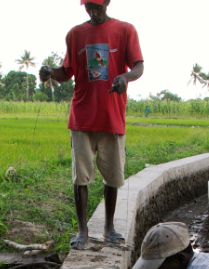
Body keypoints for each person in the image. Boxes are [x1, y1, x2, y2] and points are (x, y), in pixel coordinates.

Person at [38, 0, 144, 249]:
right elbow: (67, 72)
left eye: (97, 6)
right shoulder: (75, 34)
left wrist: (125, 77)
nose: (93, 11)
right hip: (83, 117)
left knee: (113, 176)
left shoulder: (125, 30)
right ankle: (82, 231)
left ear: (107, 3)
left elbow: (138, 66)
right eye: (89, 7)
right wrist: (50, 72)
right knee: (81, 177)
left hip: (112, 116)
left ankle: (109, 228)